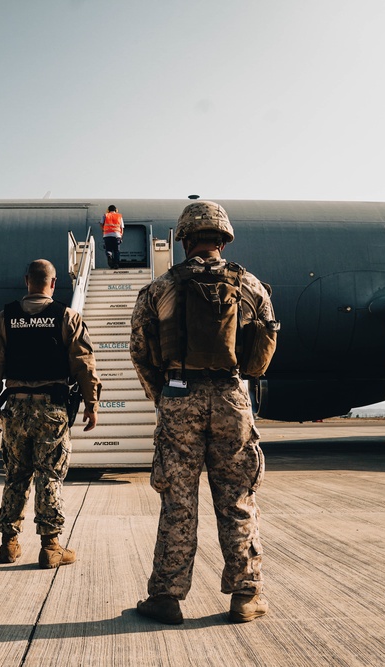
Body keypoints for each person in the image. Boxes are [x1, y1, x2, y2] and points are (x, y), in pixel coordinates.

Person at [130, 201, 277, 624]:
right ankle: (246, 595)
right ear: (223, 238)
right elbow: (263, 351)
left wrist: (163, 395)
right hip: (232, 397)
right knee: (238, 498)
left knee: (178, 502)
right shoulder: (249, 285)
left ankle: (167, 597)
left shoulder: (161, 288)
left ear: (185, 239)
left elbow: (140, 349)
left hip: (180, 396)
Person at [0, 259, 101, 568]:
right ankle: (50, 547)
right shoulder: (67, 317)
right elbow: (83, 363)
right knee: (50, 475)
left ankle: (8, 543)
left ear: (26, 281)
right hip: (52, 407)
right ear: (54, 283)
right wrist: (91, 403)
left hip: (16, 407)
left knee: (16, 476)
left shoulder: (4, 318)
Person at [102, 204, 124, 269]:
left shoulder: (105, 215)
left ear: (108, 210)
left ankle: (109, 255)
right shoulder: (119, 216)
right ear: (116, 210)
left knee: (108, 249)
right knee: (116, 251)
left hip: (107, 235)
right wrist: (120, 236)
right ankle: (116, 264)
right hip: (117, 235)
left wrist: (103, 230)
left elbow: (101, 223)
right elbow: (122, 227)